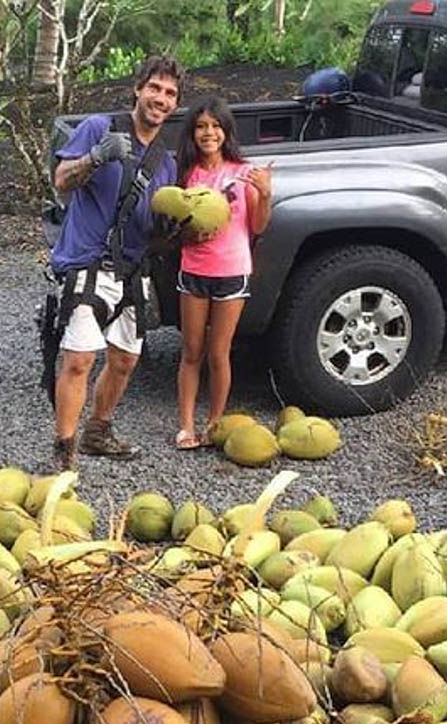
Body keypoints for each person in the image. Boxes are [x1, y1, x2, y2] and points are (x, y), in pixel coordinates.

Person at [47, 55, 183, 469]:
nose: (161, 98)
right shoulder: (98, 128)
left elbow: (154, 231)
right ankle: (63, 455)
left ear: (175, 105)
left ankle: (98, 431)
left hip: (131, 271)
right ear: (138, 89)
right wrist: (96, 157)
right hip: (87, 262)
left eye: (170, 94)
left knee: (124, 360)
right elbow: (61, 180)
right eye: (155, 88)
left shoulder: (166, 162)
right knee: (79, 360)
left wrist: (171, 227)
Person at [173, 97, 272, 448]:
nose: (208, 133)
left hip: (232, 270)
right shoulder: (186, 174)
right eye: (201, 126)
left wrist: (266, 193)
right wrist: (188, 231)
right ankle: (186, 425)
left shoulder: (243, 172)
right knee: (191, 351)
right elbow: (174, 227)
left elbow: (257, 227)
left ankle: (214, 424)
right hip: (194, 270)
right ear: (192, 133)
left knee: (219, 353)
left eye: (215, 126)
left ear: (226, 131)